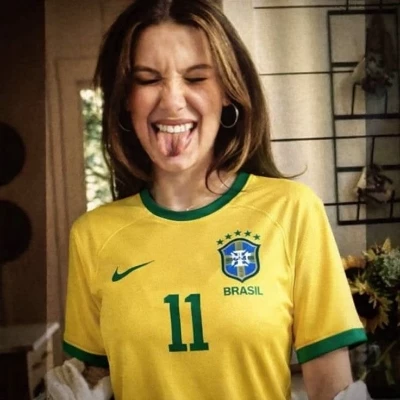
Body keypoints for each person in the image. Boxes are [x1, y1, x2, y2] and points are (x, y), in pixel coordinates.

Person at [59, 0, 369, 399]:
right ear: (125, 100)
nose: (172, 101)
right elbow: (91, 382)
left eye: (196, 77)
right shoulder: (92, 235)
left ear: (228, 92)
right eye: (148, 79)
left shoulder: (293, 211)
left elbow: (332, 389)